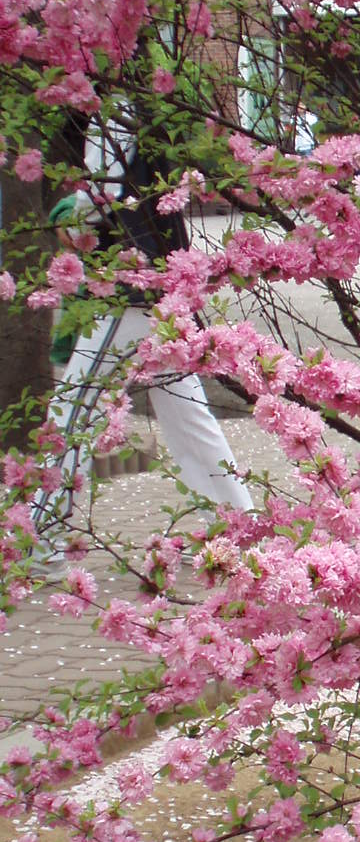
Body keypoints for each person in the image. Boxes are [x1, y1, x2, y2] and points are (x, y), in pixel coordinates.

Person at [32, 167, 253, 569]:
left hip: (127, 287)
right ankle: (237, 530)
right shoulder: (145, 129)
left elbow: (103, 189)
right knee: (187, 416)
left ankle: (38, 543)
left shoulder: (113, 128)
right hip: (160, 283)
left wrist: (71, 218)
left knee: (73, 410)